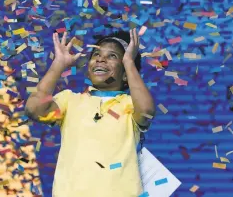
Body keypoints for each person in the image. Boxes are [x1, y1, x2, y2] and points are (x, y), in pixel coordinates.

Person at [25, 28, 156, 197]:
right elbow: (34, 109)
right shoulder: (69, 101)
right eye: (96, 54)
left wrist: (130, 62)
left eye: (112, 56)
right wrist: (58, 64)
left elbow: (146, 111)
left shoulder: (131, 105)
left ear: (125, 75)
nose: (101, 59)